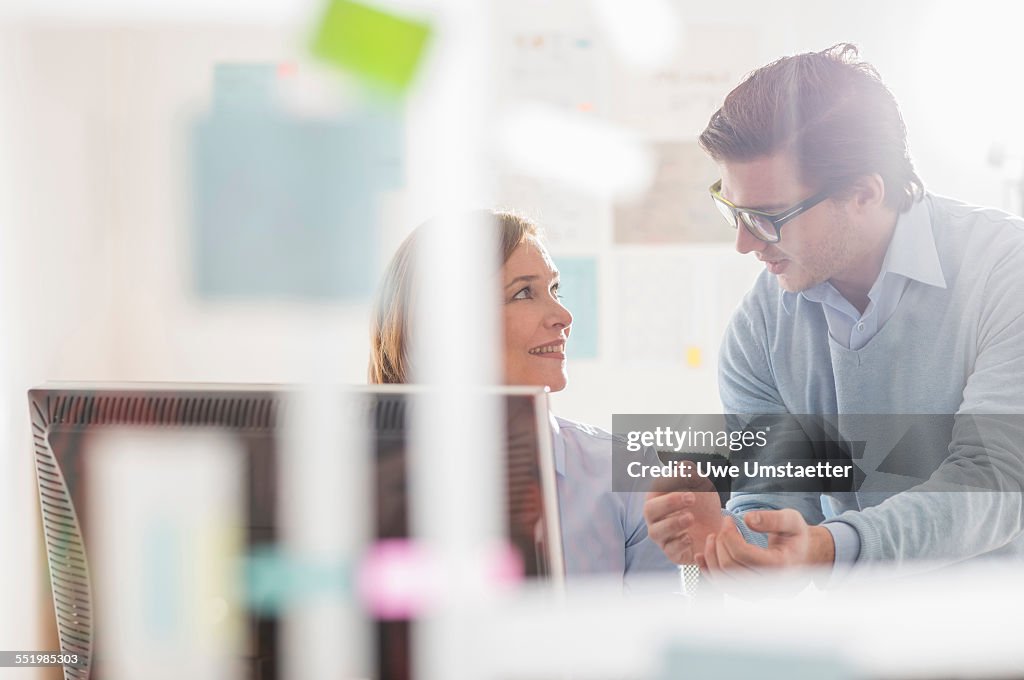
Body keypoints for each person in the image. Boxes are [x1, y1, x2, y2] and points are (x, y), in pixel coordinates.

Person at [643, 43, 1024, 584]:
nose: (745, 244)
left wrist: (829, 548)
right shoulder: (762, 326)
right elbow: (778, 508)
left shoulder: (1005, 270)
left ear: (865, 193)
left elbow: (996, 481)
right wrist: (728, 544)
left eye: (769, 216)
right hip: (855, 637)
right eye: (733, 209)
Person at [370, 210, 678, 588]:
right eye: (523, 293)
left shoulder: (626, 474)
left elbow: (655, 639)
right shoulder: (362, 478)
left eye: (554, 289)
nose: (563, 316)